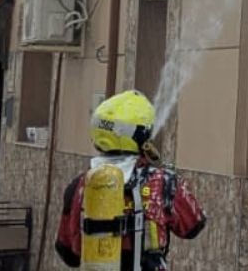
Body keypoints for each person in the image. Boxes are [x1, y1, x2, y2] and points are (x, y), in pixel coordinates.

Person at [54, 90, 206, 270]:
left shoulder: (79, 186)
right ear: (142, 138)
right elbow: (192, 227)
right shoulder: (163, 182)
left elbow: (68, 254)